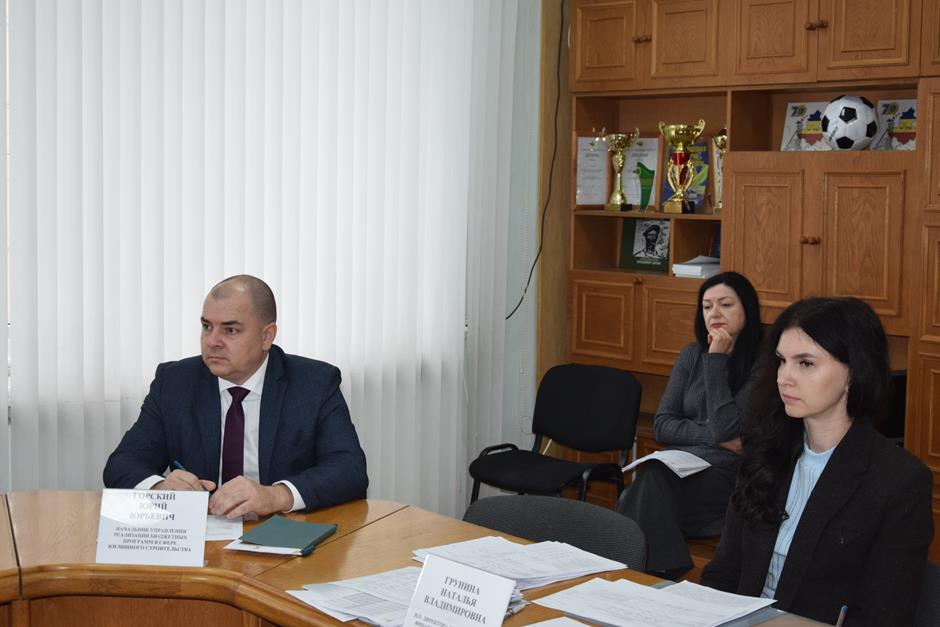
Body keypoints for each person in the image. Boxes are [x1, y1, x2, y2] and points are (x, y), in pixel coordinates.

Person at [701, 297, 933, 625]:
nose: (784, 377)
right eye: (782, 361)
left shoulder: (899, 481)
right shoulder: (765, 451)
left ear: (854, 371)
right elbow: (723, 574)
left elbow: (881, 618)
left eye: (806, 363)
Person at [103, 275, 368, 518]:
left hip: (285, 534)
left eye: (230, 330)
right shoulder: (174, 382)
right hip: (202, 539)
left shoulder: (314, 383)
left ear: (266, 336)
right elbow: (122, 464)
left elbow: (349, 469)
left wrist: (276, 495)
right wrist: (160, 488)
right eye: (207, 326)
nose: (212, 341)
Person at [616, 272, 762, 579]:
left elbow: (728, 428)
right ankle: (657, 573)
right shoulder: (691, 354)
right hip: (681, 468)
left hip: (730, 475)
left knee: (641, 491)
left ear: (747, 309)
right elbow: (663, 425)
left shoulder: (764, 363)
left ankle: (638, 574)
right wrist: (715, 437)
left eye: (725, 305)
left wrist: (716, 361)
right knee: (652, 481)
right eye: (707, 306)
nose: (715, 314)